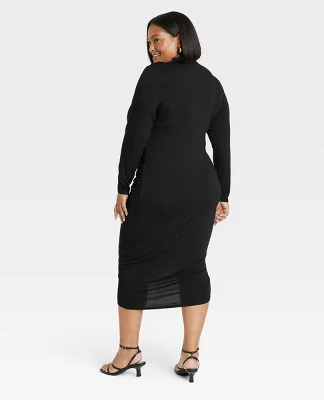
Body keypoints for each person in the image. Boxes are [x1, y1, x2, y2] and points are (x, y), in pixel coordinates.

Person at [100, 11, 231, 383]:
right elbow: (222, 144)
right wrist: (223, 194)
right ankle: (190, 355)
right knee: (193, 266)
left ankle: (129, 351)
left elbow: (136, 133)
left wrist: (123, 185)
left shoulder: (153, 77)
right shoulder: (213, 83)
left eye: (157, 39)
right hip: (201, 190)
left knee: (133, 264)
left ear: (180, 39)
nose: (152, 48)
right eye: (148, 42)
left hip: (156, 188)